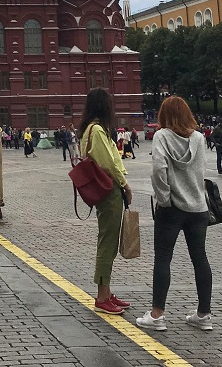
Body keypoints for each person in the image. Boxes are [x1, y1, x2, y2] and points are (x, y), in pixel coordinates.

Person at [136, 96, 213, 332]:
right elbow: (201, 169)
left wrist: (165, 198)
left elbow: (159, 169)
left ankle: (157, 315)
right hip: (198, 207)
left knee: (163, 258)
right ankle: (203, 314)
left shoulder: (161, 136)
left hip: (172, 209)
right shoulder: (199, 138)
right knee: (200, 258)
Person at [76, 88, 132, 315]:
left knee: (108, 241)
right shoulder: (97, 130)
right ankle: (101, 296)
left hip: (106, 190)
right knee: (108, 242)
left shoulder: (89, 129)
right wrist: (125, 185)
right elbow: (109, 163)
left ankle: (106, 291)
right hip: (110, 190)